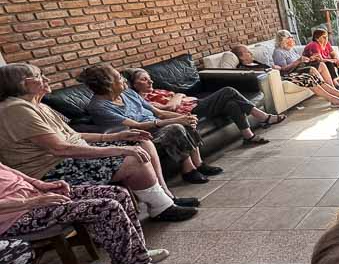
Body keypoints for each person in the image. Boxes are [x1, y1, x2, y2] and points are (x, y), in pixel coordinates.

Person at [0, 64, 196, 222]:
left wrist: (116, 137)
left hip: (70, 155)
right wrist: (118, 150)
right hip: (51, 169)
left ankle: (165, 198)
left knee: (140, 142)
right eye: (40, 75)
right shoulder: (16, 109)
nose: (47, 79)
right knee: (132, 158)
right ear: (24, 83)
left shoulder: (38, 106)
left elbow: (73, 136)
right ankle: (161, 208)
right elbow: (59, 148)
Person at [0, 162, 170, 264]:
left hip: (34, 196)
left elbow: (8, 171)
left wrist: (41, 185)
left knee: (117, 193)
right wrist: (30, 203)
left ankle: (137, 253)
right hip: (16, 215)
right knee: (106, 207)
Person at [82, 65, 222, 185]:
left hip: (156, 125)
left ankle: (199, 164)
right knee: (175, 127)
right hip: (138, 136)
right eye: (119, 77)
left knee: (184, 123)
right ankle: (188, 170)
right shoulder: (99, 106)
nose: (124, 80)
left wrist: (185, 117)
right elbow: (137, 125)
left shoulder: (128, 93)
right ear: (108, 84)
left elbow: (159, 112)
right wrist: (176, 121)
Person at [127, 68, 282, 147]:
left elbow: (179, 96)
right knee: (228, 91)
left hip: (195, 103)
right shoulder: (143, 100)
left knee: (232, 104)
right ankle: (262, 116)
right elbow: (171, 107)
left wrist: (179, 96)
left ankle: (248, 136)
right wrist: (178, 96)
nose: (150, 81)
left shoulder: (158, 91)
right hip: (190, 111)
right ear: (135, 84)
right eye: (144, 80)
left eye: (149, 78)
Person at [271, 31, 339, 108]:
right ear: (283, 40)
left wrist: (309, 59)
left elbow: (300, 61)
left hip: (300, 68)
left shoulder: (291, 49)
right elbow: (284, 70)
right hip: (291, 73)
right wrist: (299, 60)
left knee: (321, 64)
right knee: (311, 70)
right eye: (290, 37)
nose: (293, 39)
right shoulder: (278, 52)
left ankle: (335, 92)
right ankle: (333, 98)